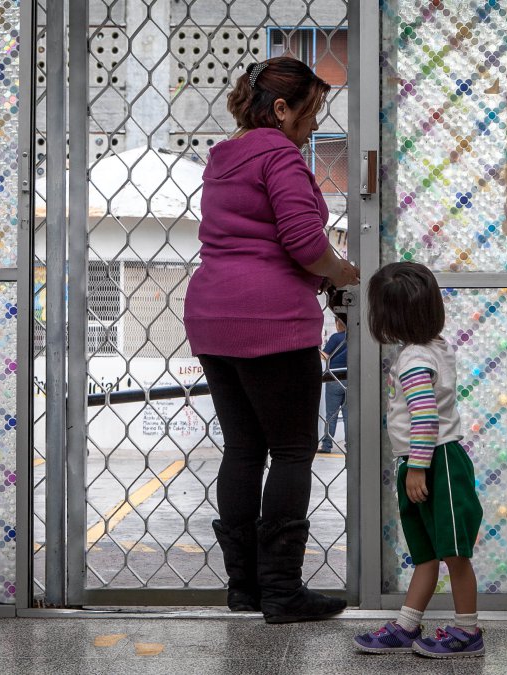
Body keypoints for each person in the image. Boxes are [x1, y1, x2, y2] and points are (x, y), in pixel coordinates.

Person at [183, 56, 360, 624]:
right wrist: (340, 272)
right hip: (271, 318)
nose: (313, 126)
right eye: (310, 113)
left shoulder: (221, 157)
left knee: (242, 449)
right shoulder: (279, 153)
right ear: (280, 109)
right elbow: (305, 242)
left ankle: (245, 589)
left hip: (212, 316)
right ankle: (282, 591)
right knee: (289, 450)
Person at [354, 262, 485, 659]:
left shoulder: (414, 359)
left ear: (389, 316)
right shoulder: (434, 347)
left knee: (453, 553)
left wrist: (416, 466)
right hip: (430, 461)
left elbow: (425, 417)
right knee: (427, 552)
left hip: (435, 462)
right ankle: (408, 624)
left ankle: (468, 631)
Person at [319, 317, 347, 454]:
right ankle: (351, 446)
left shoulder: (336, 337)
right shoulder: (355, 338)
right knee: (349, 415)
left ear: (338, 323)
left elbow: (323, 356)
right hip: (350, 377)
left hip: (334, 377)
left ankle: (326, 445)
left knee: (331, 414)